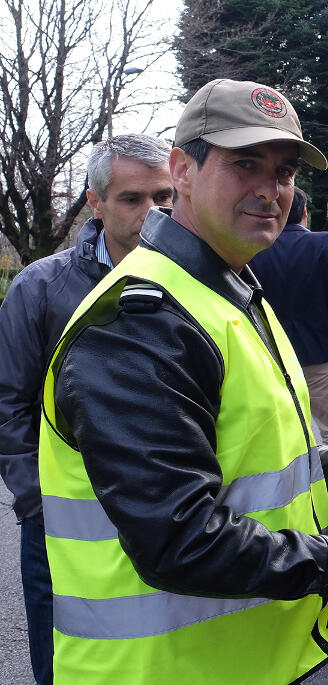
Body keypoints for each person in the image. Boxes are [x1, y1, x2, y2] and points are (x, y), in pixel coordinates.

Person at [36, 79, 328, 683]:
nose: (271, 189)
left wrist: (326, 464)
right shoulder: (142, 323)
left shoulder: (225, 289)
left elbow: (224, 453)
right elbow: (178, 539)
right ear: (183, 170)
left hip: (232, 663)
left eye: (286, 171)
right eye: (245, 163)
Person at [0, 133, 173, 685]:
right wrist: (38, 501)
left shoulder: (195, 282)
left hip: (171, 520)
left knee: (162, 663)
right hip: (63, 530)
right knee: (67, 666)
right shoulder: (42, 287)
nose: (152, 212)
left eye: (164, 197)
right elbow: (8, 402)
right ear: (95, 203)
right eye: (132, 198)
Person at [248, 186, 328, 445]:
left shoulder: (253, 247)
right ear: (304, 212)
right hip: (319, 355)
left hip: (270, 357)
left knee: (281, 434)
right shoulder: (322, 242)